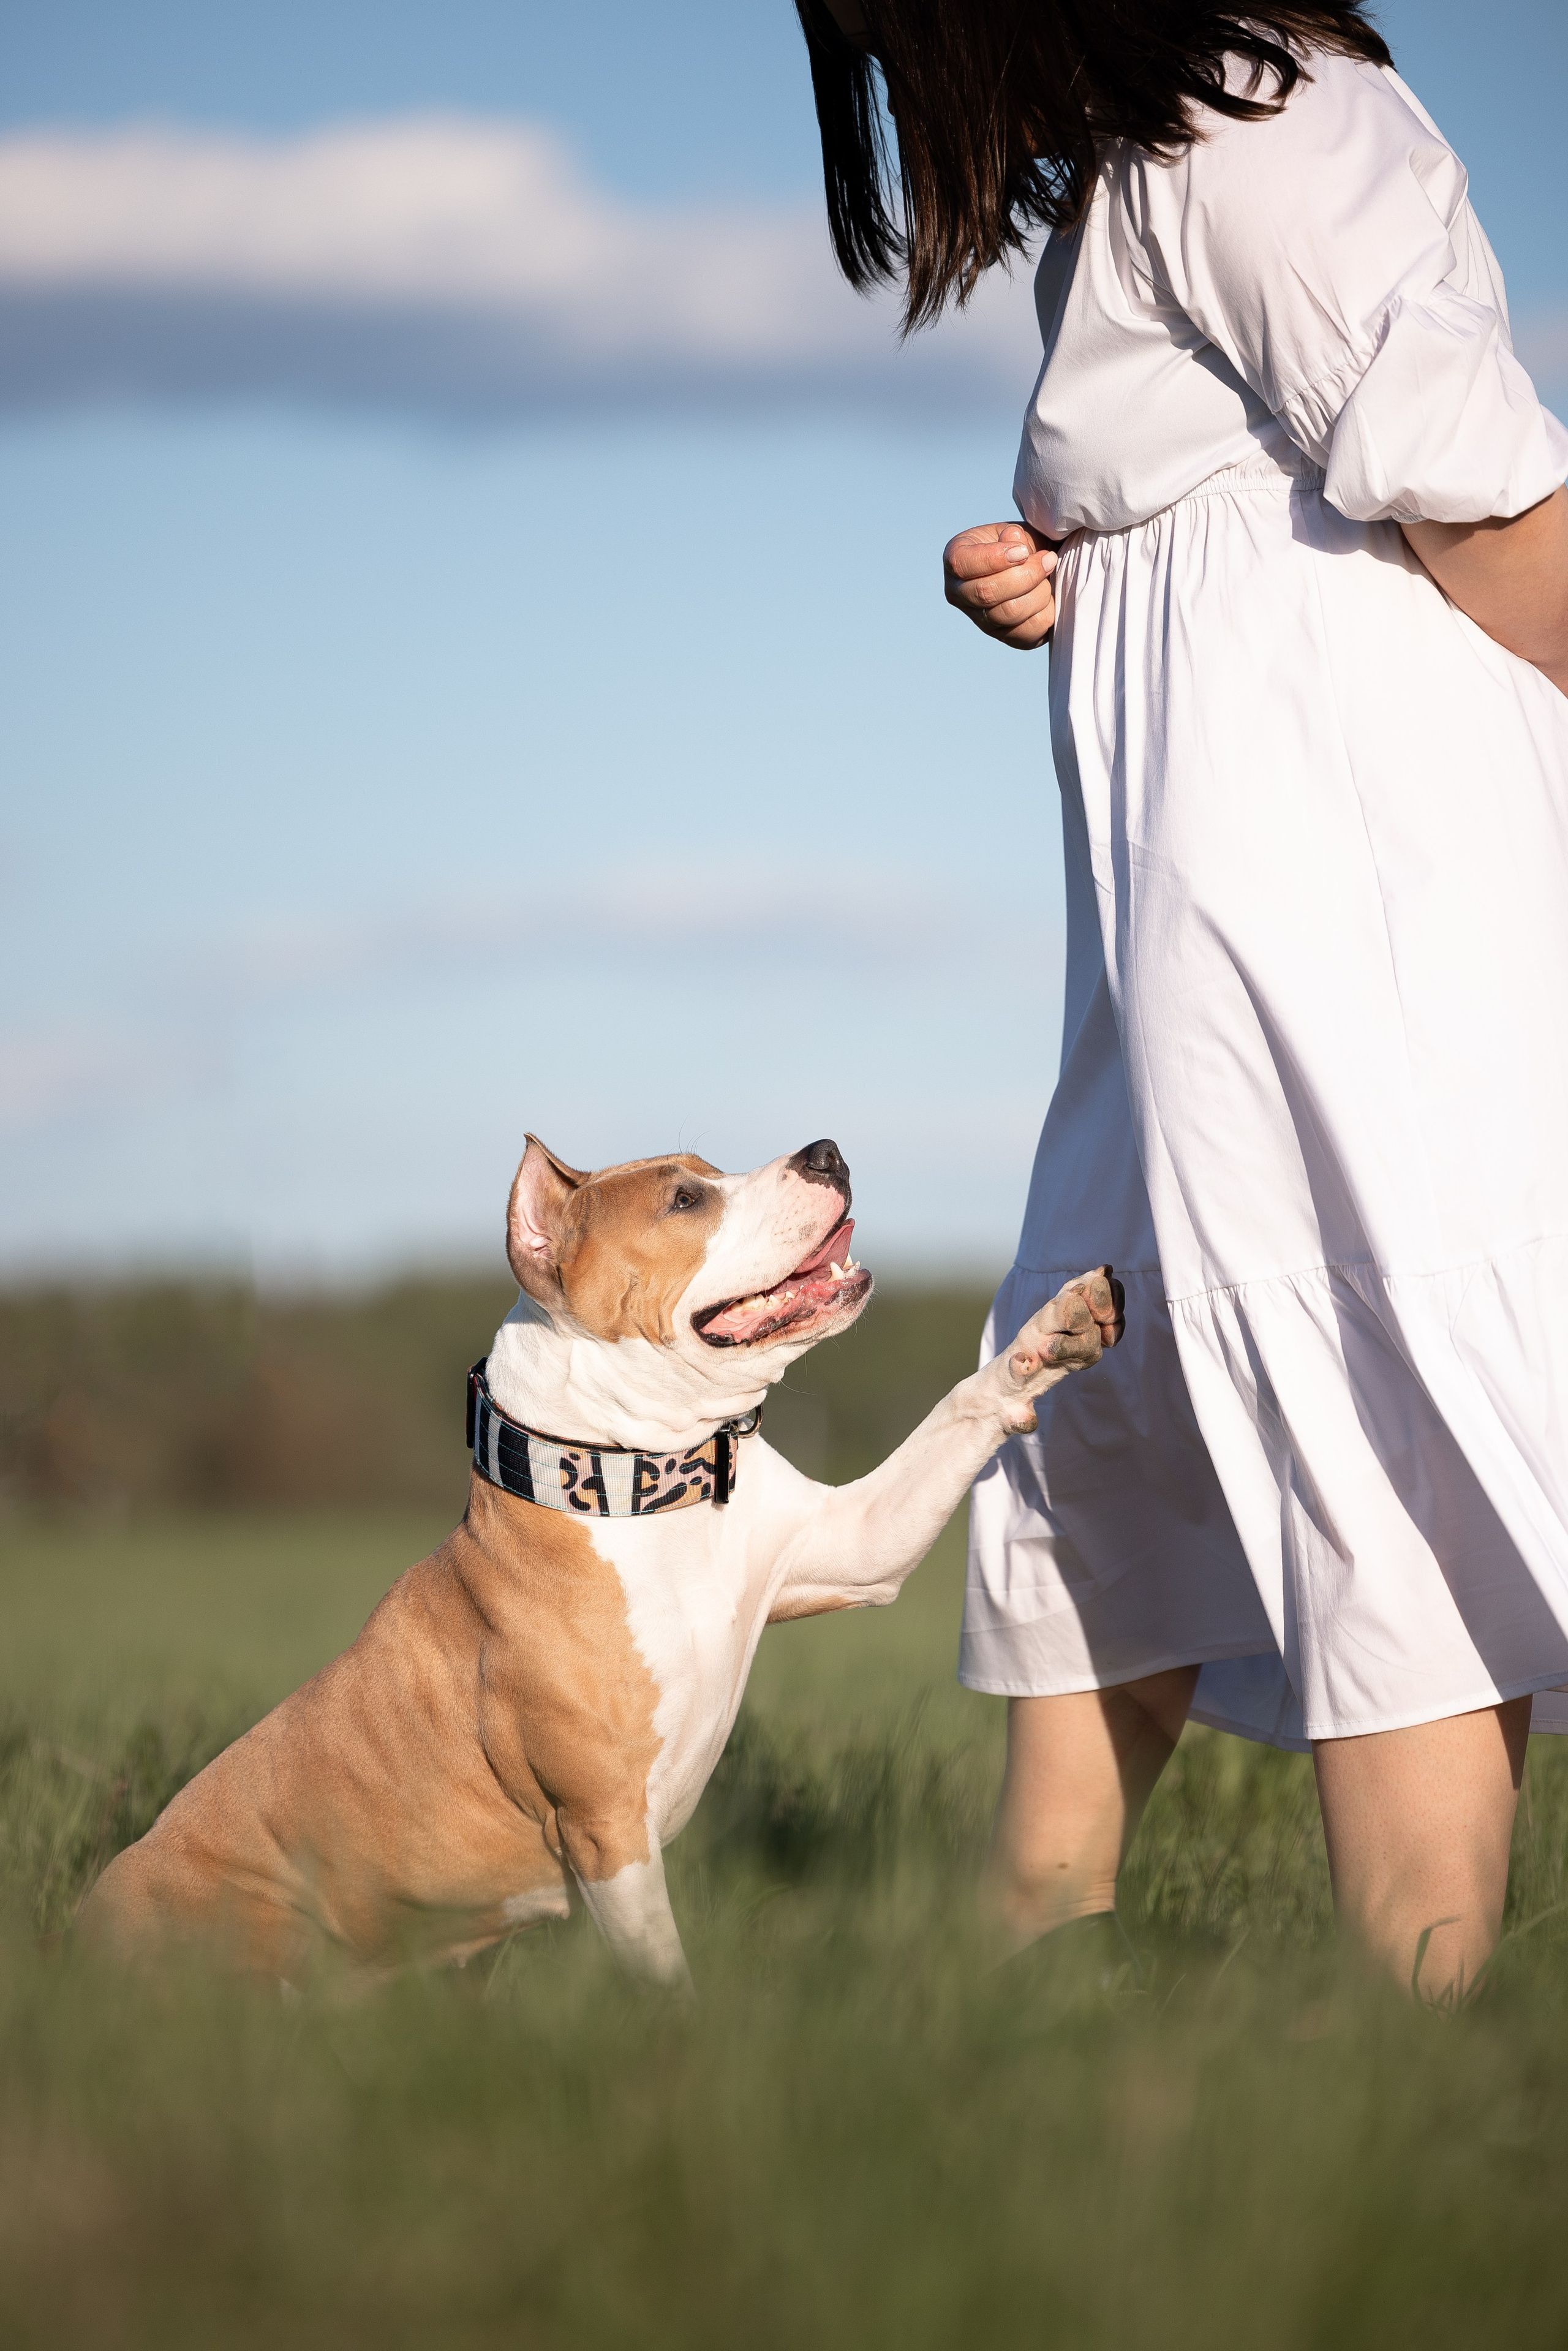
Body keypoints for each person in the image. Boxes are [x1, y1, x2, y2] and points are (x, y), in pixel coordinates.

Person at [797, 0, 1568, 1998]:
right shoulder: (1162, 156)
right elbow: (1241, 484)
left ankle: (1418, 2041)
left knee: (1349, 1380)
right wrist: (1083, 568)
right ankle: (1024, 1975)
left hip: (1339, 867)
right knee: (1101, 1363)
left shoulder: (1263, 108)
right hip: (1201, 873)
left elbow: (1480, 502)